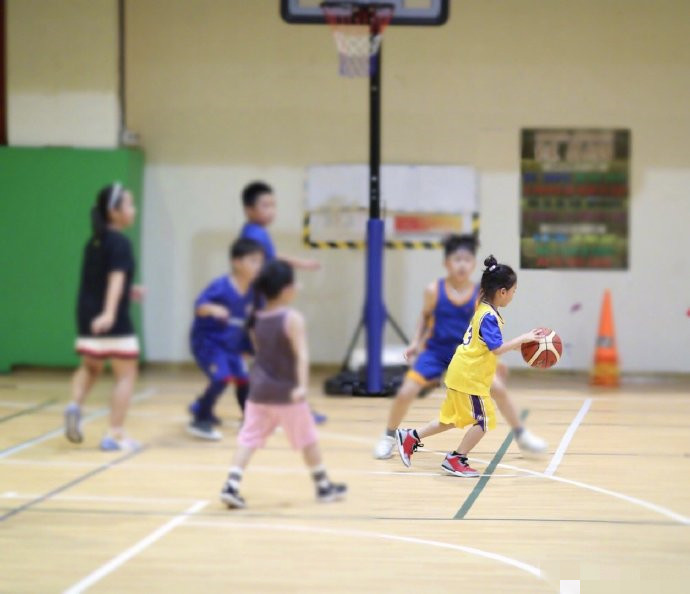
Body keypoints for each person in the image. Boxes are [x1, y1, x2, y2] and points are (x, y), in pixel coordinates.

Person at [373, 235, 546, 459]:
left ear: (473, 263)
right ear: (447, 263)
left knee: (492, 394)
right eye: (457, 259)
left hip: (465, 357)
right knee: (408, 391)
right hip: (441, 353)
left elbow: (485, 339)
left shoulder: (480, 294)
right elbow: (426, 317)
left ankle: (521, 435)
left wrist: (498, 359)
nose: (462, 264)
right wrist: (416, 343)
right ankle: (390, 436)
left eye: (467, 259)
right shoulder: (435, 290)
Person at [220, 260, 346, 508]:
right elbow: (301, 355)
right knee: (308, 439)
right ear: (286, 289)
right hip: (286, 394)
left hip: (258, 392)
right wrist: (301, 386)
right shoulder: (292, 318)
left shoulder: (255, 317)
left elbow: (261, 354)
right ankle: (323, 486)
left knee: (248, 439)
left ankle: (231, 485)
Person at [239, 181, 327, 425]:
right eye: (265, 205)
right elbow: (260, 268)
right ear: (249, 209)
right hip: (261, 310)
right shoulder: (252, 234)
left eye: (273, 205)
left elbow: (272, 258)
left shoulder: (258, 233)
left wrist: (300, 263)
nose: (271, 210)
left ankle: (281, 407)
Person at [65, 183, 143, 451]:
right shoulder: (120, 242)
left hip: (86, 315)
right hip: (110, 318)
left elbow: (97, 281)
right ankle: (115, 434)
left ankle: (74, 405)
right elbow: (114, 278)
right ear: (114, 211)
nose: (134, 210)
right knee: (126, 374)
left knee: (90, 366)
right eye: (129, 205)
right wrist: (110, 312)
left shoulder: (94, 241)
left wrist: (129, 292)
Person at [187, 238, 264, 440]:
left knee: (244, 379)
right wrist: (213, 308)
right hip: (208, 342)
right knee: (221, 376)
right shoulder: (220, 286)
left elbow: (255, 323)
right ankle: (200, 420)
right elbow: (199, 307)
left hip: (232, 345)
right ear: (237, 262)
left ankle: (249, 420)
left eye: (260, 262)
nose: (258, 266)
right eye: (253, 261)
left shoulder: (255, 293)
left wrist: (256, 349)